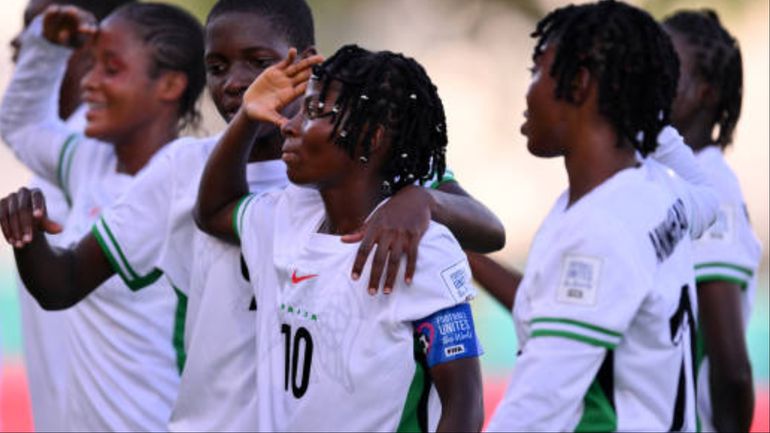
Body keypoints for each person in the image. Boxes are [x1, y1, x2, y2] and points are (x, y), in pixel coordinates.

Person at [0, 0, 503, 430]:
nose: (237, 83)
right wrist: (27, 236)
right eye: (217, 67)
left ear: (306, 61)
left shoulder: (357, 165)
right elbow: (62, 283)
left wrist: (423, 200)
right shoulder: (187, 171)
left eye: (258, 62)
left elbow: (488, 229)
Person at [195, 44, 484, 432]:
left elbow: (465, 408)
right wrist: (247, 117)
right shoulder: (287, 216)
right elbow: (213, 210)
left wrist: (424, 198)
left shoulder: (423, 249)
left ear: (370, 138)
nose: (289, 125)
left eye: (314, 112)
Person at [485, 1, 718, 431]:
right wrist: (643, 113)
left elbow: (535, 408)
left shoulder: (599, 229)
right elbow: (708, 198)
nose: (528, 90)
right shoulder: (659, 190)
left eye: (538, 70)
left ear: (578, 83)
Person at [0, 3, 205, 430]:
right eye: (90, 64)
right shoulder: (89, 161)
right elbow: (20, 126)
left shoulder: (192, 185)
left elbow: (60, 285)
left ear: (170, 84)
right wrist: (46, 48)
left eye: (110, 69)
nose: (88, 81)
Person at [7, 2, 133, 430]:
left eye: (43, 30)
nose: (20, 42)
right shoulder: (60, 153)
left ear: (87, 44)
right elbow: (18, 123)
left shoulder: (107, 153)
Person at [663, 10, 761, 432]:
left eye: (668, 65)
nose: (650, 74)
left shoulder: (710, 188)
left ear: (704, 92)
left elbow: (732, 370)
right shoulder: (662, 177)